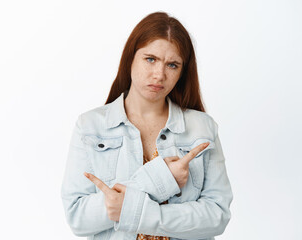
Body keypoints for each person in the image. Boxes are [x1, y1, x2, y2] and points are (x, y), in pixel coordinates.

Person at [61, 11, 233, 240]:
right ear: (130, 58)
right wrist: (160, 179)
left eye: (172, 65)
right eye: (150, 59)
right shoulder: (91, 126)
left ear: (182, 72)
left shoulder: (202, 128)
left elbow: (217, 216)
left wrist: (139, 214)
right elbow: (77, 218)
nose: (159, 74)